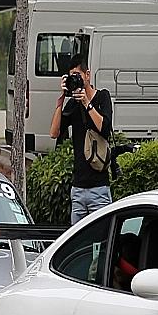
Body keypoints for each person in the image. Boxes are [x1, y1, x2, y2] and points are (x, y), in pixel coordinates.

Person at [49, 52, 113, 224]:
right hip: (78, 188)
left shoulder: (103, 97)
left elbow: (104, 128)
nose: (75, 79)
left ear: (87, 74)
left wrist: (87, 103)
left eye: (78, 75)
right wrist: (61, 99)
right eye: (72, 76)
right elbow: (54, 133)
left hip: (99, 187)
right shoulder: (73, 104)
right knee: (78, 238)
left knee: (101, 236)